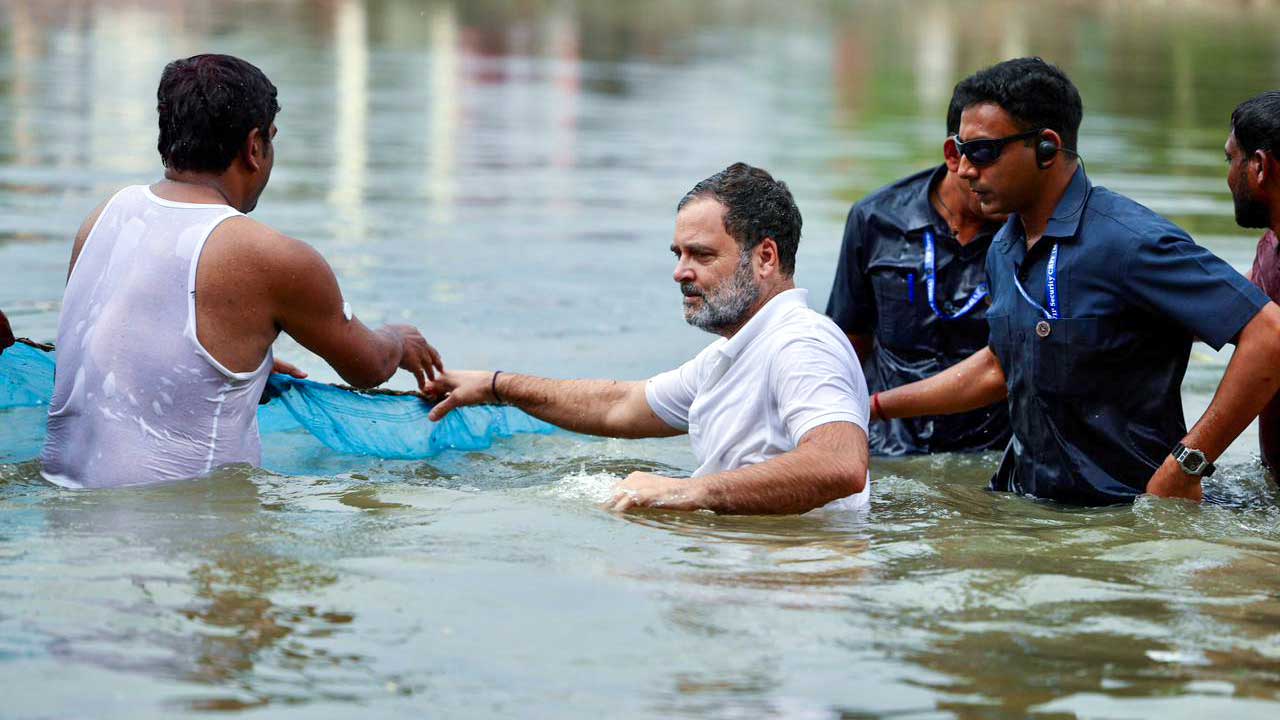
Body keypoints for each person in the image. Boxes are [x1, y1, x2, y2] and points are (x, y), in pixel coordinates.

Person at [872, 57, 1280, 504]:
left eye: (983, 151)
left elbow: (1269, 334)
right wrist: (875, 406)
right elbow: (1001, 366)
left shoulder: (1128, 241)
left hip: (1123, 521)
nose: (966, 170)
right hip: (1030, 508)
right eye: (960, 150)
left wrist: (1185, 467)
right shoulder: (1005, 247)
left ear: (1046, 147)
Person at [39, 54, 444, 489]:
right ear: (254, 147)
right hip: (180, 530)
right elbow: (368, 367)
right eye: (271, 139)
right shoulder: (271, 257)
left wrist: (238, 361)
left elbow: (111, 352)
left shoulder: (103, 217)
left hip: (63, 511)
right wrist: (398, 342)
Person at [427, 163, 870, 515]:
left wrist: (691, 491)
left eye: (702, 254)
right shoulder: (730, 355)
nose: (680, 272)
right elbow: (619, 406)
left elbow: (839, 463)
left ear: (765, 258)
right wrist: (495, 386)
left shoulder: (802, 344)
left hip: (801, 580)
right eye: (678, 254)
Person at [826, 92, 1009, 456]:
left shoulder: (1032, 235)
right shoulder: (875, 218)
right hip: (885, 447)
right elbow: (846, 344)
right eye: (988, 159)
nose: (1003, 182)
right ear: (955, 157)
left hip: (987, 455)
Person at [1226, 90, 1280, 472]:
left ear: (1259, 167)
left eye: (1231, 159)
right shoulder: (1272, 244)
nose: (1228, 176)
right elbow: (1239, 303)